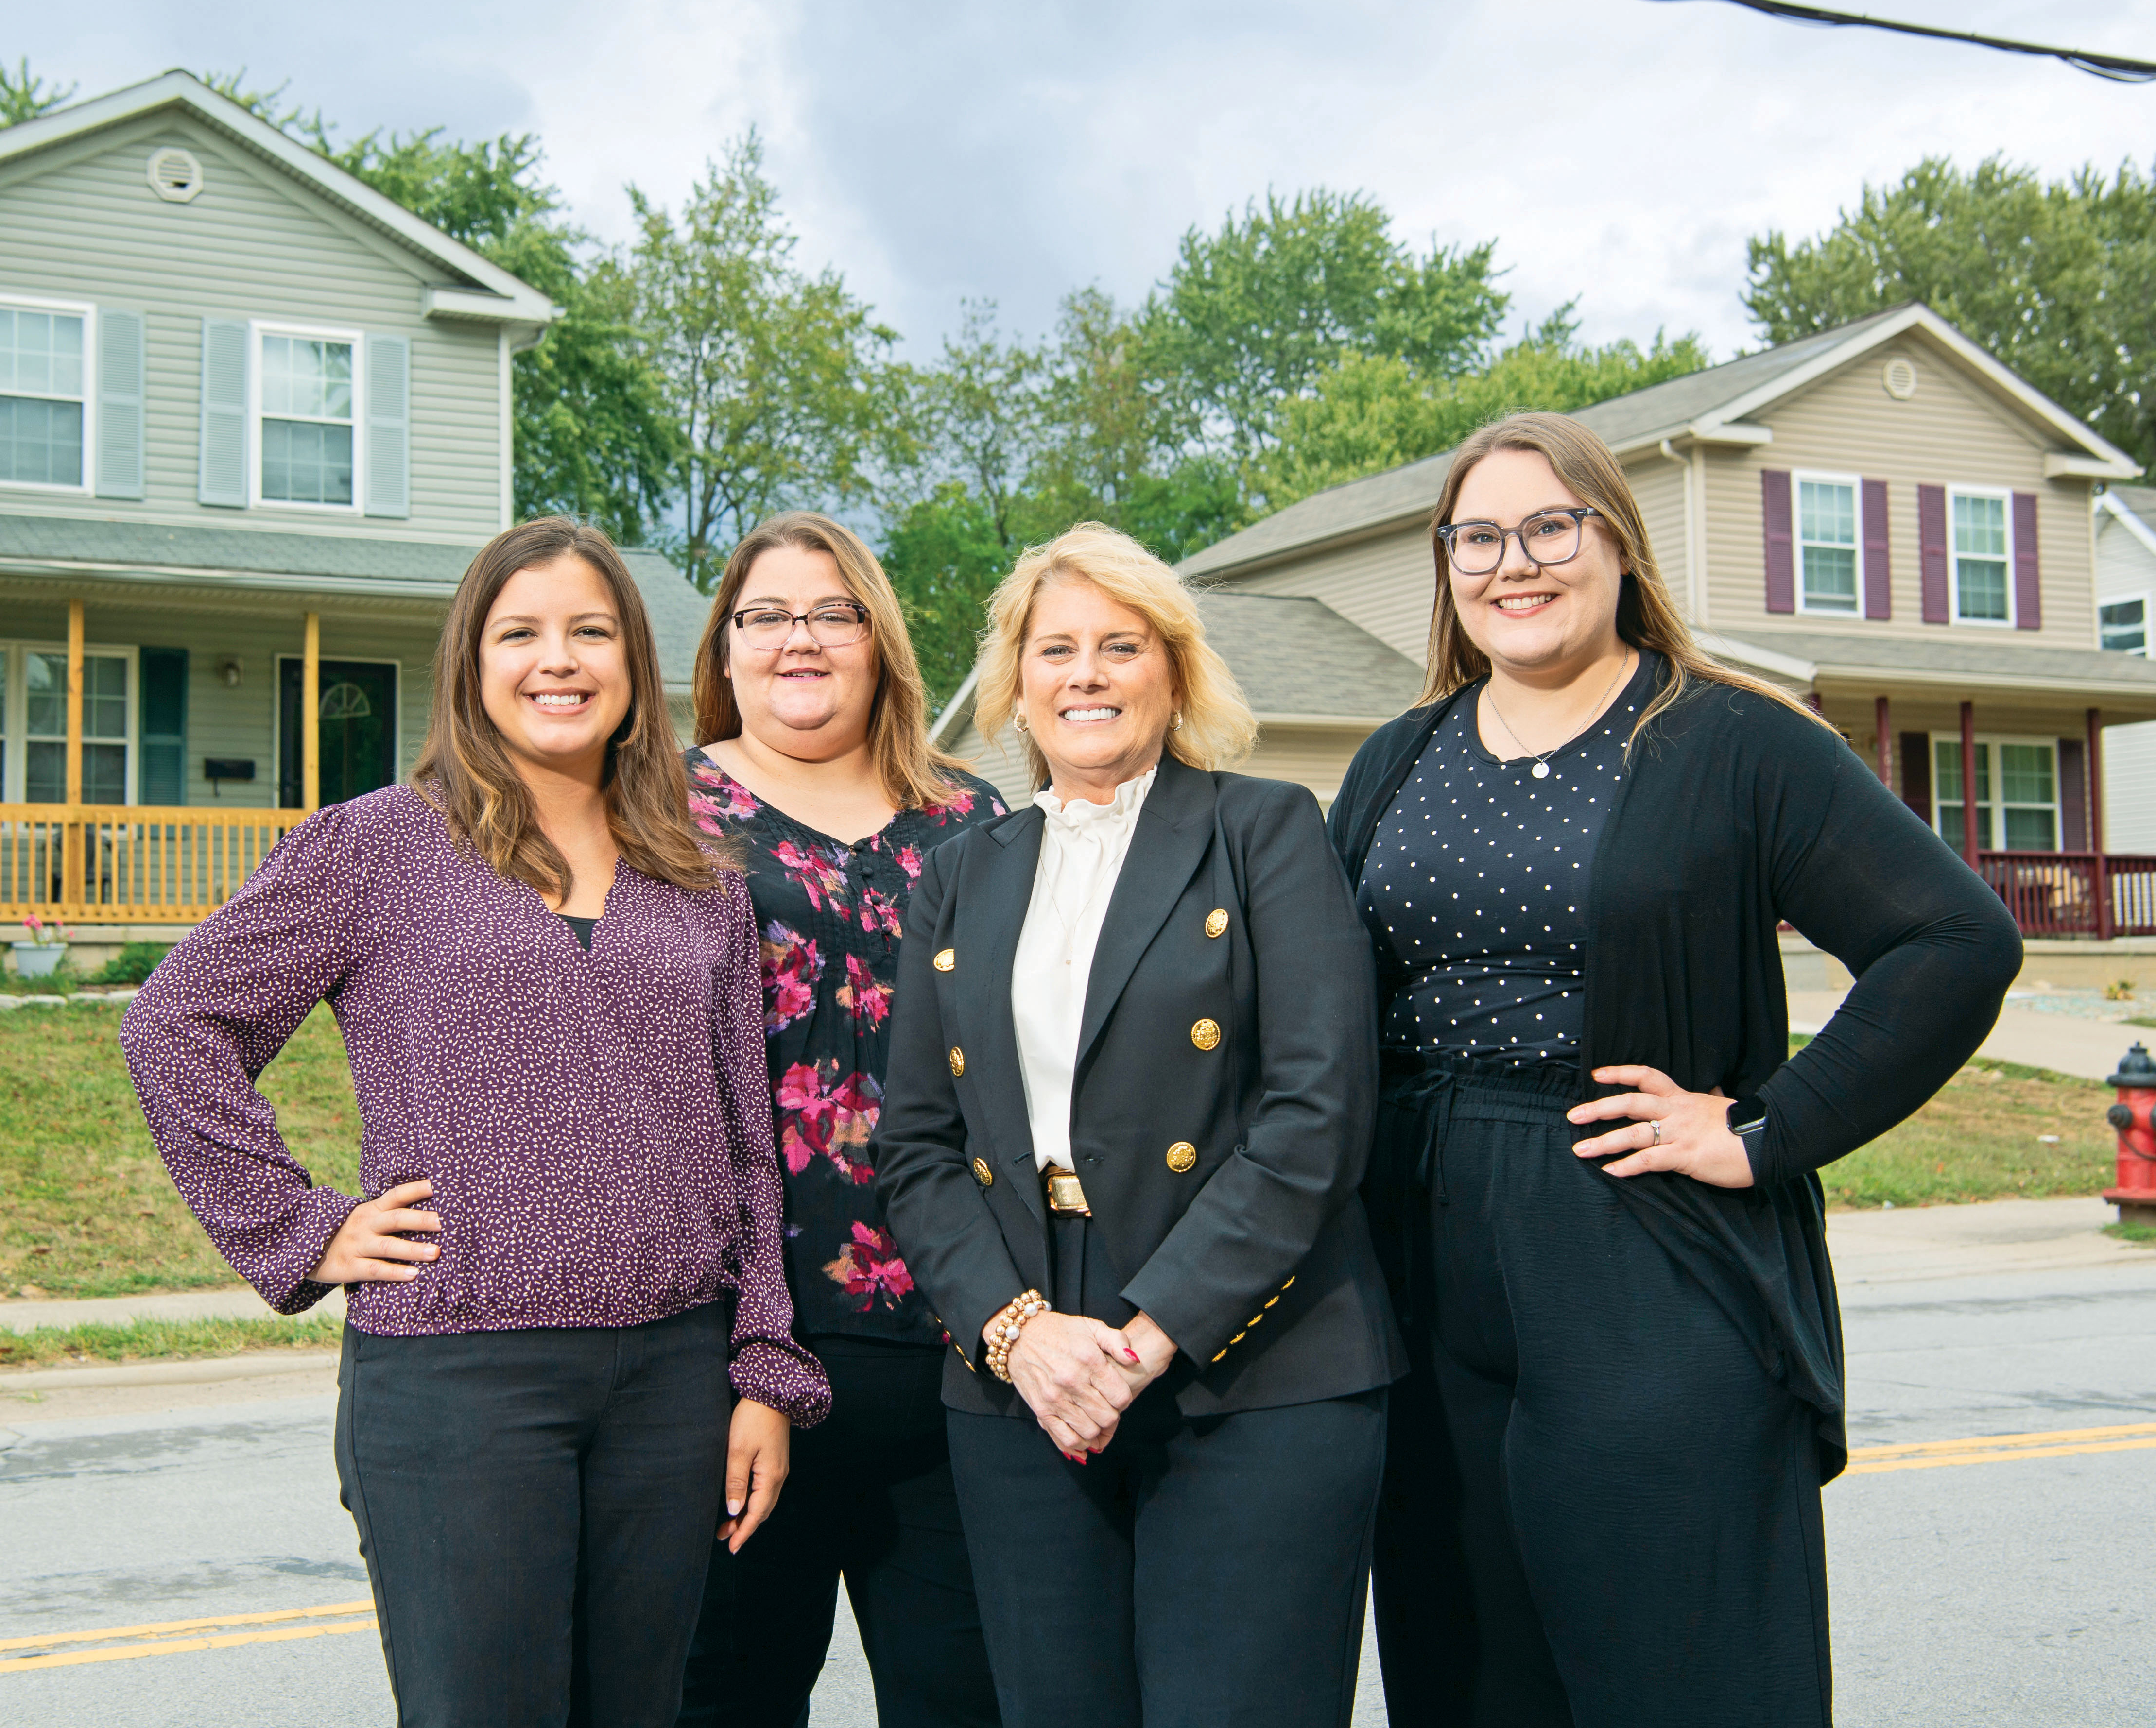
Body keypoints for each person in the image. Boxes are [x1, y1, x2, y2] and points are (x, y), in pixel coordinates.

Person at [1330, 414, 2021, 1728]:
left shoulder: (1734, 744)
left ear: (1616, 543)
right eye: (1478, 536)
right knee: (1467, 1670)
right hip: (1416, 1260)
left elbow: (1954, 939)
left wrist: (1766, 1132)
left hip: (1638, 1244)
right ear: (1446, 564)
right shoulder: (1397, 757)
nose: (1512, 563)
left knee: (1682, 1671)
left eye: (1550, 527)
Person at [119, 519, 829, 1728]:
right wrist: (300, 1228)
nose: (559, 660)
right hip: (460, 1377)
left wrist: (765, 1361)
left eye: (591, 631)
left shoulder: (699, 872)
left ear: (631, 661)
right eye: (523, 633)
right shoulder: (379, 845)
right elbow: (175, 1025)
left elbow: (747, 1141)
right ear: (472, 662)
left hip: (673, 1378)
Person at [873, 523, 1396, 1728]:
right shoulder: (960, 872)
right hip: (1025, 1349)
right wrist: (1020, 1336)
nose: (1086, 674)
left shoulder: (1264, 829)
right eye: (1055, 647)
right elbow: (915, 1141)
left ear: (1175, 670)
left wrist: (1145, 1336)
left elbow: (1318, 1112)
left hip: (1253, 1347)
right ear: (1015, 679)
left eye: (1121, 645)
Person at [674, 511, 1007, 1728]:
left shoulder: (977, 822)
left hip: (961, 1346)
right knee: (729, 1692)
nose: (798, 638)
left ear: (880, 638)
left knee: (969, 1691)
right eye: (766, 615)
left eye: (832, 611)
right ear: (726, 645)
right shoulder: (657, 811)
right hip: (733, 1351)